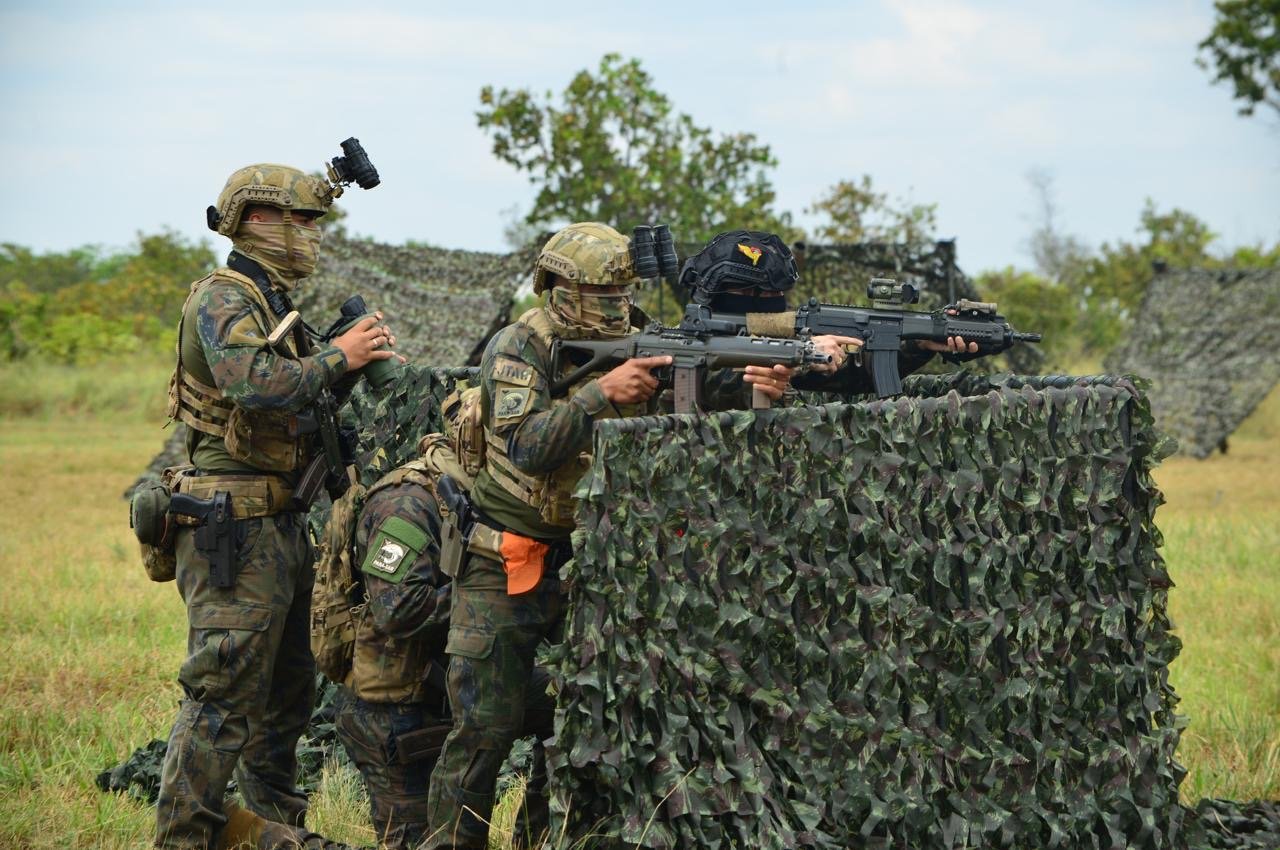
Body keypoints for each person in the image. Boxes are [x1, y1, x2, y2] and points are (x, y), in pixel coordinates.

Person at [422, 222, 793, 850]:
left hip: (603, 560)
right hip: (507, 556)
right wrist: (600, 393)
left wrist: (764, 388)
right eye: (601, 292)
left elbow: (713, 404)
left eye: (624, 290)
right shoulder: (519, 345)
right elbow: (526, 445)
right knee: (483, 728)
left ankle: (546, 839)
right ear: (557, 289)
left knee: (586, 720)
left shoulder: (647, 336)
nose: (616, 304)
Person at [156, 162, 397, 849]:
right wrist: (340, 357)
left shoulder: (272, 301)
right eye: (307, 221)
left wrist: (344, 366)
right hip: (234, 524)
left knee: (287, 697)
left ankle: (274, 833)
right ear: (261, 220)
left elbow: (298, 401)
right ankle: (184, 837)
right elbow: (253, 383)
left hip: (281, 520)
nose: (314, 237)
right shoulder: (223, 296)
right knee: (223, 694)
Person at [680, 230, 978, 403]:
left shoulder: (783, 335)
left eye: (776, 294)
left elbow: (855, 378)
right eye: (759, 294)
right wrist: (802, 356)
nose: (774, 303)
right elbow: (729, 381)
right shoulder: (688, 349)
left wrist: (919, 344)